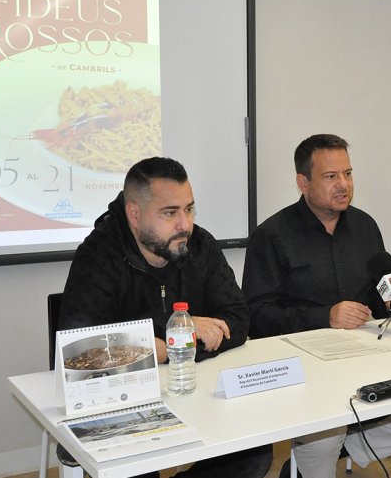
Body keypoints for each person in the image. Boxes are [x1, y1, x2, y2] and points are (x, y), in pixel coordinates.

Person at [242, 134, 391, 478]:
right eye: (331, 177)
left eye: (348, 174)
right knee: (324, 438)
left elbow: (378, 293)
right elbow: (256, 316)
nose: (343, 185)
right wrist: (324, 316)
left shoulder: (366, 227)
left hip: (369, 355)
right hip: (306, 364)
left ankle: (350, 449)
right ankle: (317, 456)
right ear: (303, 182)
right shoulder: (272, 236)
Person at [60, 157, 272, 478]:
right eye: (170, 213)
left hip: (195, 392)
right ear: (134, 214)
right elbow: (83, 350)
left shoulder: (200, 245)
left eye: (188, 209)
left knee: (252, 453)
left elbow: (238, 318)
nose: (184, 224)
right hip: (124, 402)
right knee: (134, 466)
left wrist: (165, 347)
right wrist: (176, 340)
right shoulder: (98, 254)